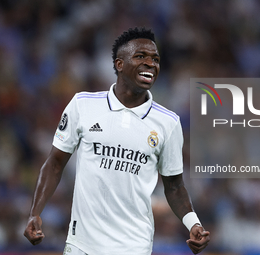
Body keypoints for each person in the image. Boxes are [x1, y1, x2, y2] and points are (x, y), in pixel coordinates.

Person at [24, 27, 210, 255]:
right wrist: (35, 212)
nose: (150, 63)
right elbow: (54, 163)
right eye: (141, 56)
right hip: (82, 244)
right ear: (119, 64)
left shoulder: (168, 122)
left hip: (134, 246)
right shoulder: (83, 105)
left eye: (155, 59)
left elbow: (174, 185)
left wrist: (193, 224)